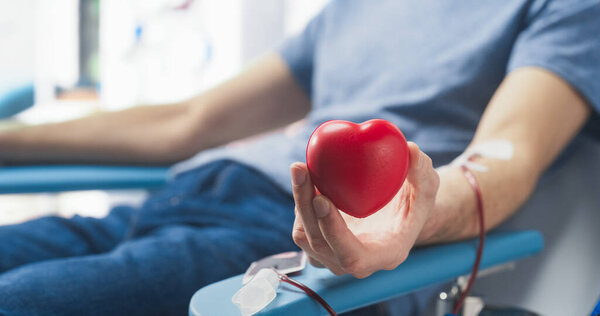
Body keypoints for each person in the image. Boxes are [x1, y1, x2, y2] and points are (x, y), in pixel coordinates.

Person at [0, 0, 599, 315]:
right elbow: (190, 120)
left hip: (282, 243)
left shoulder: (570, 7)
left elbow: (507, 156)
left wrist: (414, 213)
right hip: (178, 197)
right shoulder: (355, 8)